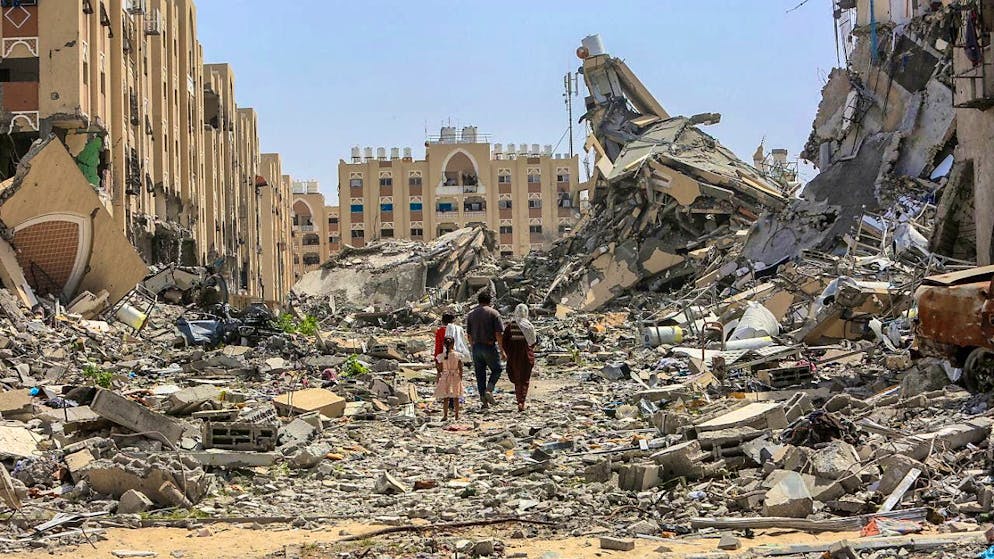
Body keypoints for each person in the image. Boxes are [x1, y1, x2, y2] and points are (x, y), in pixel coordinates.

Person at [465, 291, 504, 409]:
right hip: (489, 346)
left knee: (480, 374)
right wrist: (502, 350)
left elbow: (469, 335)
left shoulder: (471, 315)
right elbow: (498, 333)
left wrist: (473, 347)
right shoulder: (494, 313)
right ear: (490, 301)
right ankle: (489, 389)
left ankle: (484, 401)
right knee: (497, 369)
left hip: (476, 347)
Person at [502, 304, 537, 412]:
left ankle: (520, 400)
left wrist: (508, 353)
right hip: (526, 356)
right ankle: (522, 401)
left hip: (514, 357)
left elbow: (505, 342)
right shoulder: (529, 326)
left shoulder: (510, 326)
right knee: (524, 379)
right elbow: (533, 342)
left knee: (517, 379)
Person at [434, 336, 464, 421]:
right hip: (455, 376)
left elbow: (439, 368)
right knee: (456, 397)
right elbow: (461, 368)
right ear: (453, 344)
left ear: (444, 344)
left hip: (445, 377)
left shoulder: (441, 356)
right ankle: (457, 415)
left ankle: (445, 415)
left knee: (446, 398)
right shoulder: (458, 355)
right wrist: (460, 377)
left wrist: (439, 374)